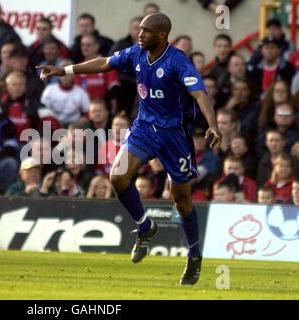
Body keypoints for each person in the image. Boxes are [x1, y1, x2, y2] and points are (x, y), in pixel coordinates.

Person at [38, 13, 221, 285]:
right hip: (144, 128)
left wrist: (213, 125)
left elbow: (199, 93)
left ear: (161, 35)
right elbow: (104, 63)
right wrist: (63, 70)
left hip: (174, 135)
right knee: (118, 176)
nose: (140, 34)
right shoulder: (136, 53)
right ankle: (145, 226)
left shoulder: (177, 60)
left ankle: (194, 256)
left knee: (181, 200)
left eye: (146, 31)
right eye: (140, 29)